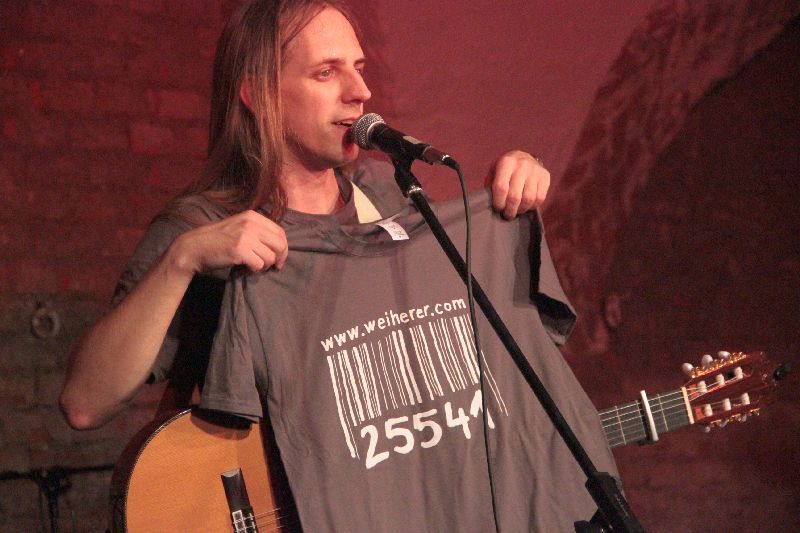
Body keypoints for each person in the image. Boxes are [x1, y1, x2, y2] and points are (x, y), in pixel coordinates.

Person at [61, 1, 616, 531]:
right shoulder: (200, 227)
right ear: (258, 95)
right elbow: (84, 404)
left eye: (359, 67)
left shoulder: (387, 194)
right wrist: (181, 261)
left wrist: (519, 178)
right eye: (327, 72)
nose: (360, 92)